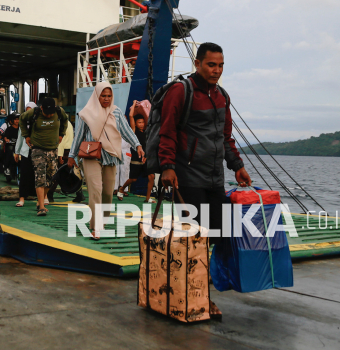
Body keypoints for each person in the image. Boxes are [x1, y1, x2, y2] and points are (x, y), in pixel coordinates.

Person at [158, 42, 252, 320]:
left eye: (221, 65)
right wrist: (167, 167)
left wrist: (237, 166)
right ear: (197, 63)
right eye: (211, 64)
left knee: (222, 231)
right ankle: (199, 298)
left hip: (214, 179)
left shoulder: (222, 96)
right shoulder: (181, 91)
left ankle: (193, 288)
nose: (217, 70)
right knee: (194, 239)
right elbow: (168, 131)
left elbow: (225, 138)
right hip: (187, 179)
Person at [68, 81, 143, 239]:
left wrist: (137, 145)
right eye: (103, 96)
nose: (107, 99)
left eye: (109, 96)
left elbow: (126, 130)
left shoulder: (116, 112)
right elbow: (78, 135)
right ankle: (95, 227)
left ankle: (102, 221)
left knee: (108, 193)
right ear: (97, 95)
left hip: (111, 156)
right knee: (95, 190)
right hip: (91, 155)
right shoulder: (86, 113)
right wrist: (71, 155)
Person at [19, 97, 68, 216]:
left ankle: (39, 200)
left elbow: (65, 121)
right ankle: (41, 206)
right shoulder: (34, 112)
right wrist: (26, 136)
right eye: (46, 113)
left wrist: (61, 134)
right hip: (37, 149)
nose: (49, 115)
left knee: (52, 178)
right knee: (40, 177)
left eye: (51, 113)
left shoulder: (59, 111)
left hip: (53, 149)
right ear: (41, 108)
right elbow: (21, 119)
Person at [117, 101, 155, 203]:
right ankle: (122, 188)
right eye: (139, 122)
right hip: (136, 157)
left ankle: (148, 198)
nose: (141, 124)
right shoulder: (133, 131)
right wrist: (134, 104)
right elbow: (130, 115)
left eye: (143, 122)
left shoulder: (146, 131)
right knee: (133, 179)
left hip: (146, 157)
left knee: (152, 176)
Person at [47, 117, 84, 204]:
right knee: (73, 173)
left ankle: (50, 194)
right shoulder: (69, 123)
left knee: (58, 174)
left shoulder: (60, 123)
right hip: (70, 150)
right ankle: (79, 193)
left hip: (63, 152)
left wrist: (59, 155)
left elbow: (61, 140)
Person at [14, 102, 38, 207]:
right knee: (23, 175)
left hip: (37, 151)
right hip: (25, 152)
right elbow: (20, 137)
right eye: (27, 110)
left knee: (39, 176)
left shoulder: (39, 122)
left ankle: (42, 198)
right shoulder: (23, 122)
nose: (28, 112)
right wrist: (17, 151)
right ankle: (22, 198)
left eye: (30, 110)